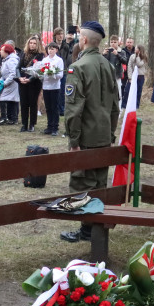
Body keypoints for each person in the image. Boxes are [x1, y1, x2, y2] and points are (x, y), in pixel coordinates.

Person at [58, 21, 120, 244]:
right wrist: (110, 134)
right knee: (99, 184)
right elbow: (115, 106)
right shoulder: (108, 66)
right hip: (103, 135)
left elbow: (73, 110)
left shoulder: (78, 67)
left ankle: (87, 230)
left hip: (86, 137)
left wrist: (74, 140)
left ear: (83, 40)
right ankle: (94, 229)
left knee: (82, 184)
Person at [17, 35, 44, 132]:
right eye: (30, 43)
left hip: (34, 82)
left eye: (34, 43)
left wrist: (29, 79)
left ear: (37, 45)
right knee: (24, 103)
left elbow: (39, 70)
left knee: (33, 103)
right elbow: (18, 67)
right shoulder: (23, 53)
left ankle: (32, 124)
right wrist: (20, 77)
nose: (32, 45)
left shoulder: (40, 55)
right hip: (22, 81)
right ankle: (24, 124)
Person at [40, 42, 65, 135]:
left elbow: (60, 75)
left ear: (56, 50)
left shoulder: (59, 60)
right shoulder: (44, 60)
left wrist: (52, 74)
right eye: (49, 49)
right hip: (46, 86)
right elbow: (41, 71)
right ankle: (49, 126)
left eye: (52, 49)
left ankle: (55, 127)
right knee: (48, 107)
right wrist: (42, 74)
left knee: (54, 107)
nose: (50, 51)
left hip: (55, 86)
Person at [0, 43, 21, 125]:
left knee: (3, 98)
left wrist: (5, 83)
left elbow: (13, 73)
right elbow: (4, 73)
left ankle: (6, 118)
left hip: (12, 83)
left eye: (2, 50)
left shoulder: (12, 60)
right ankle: (11, 118)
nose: (0, 51)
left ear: (6, 52)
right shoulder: (6, 60)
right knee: (10, 100)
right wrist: (0, 81)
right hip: (8, 82)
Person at [58, 26, 78, 116]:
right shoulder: (62, 44)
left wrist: (78, 32)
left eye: (72, 34)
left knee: (71, 89)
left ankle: (70, 107)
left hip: (73, 69)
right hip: (63, 69)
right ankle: (61, 109)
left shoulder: (76, 43)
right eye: (69, 33)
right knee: (62, 90)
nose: (70, 35)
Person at [120, 37, 136, 106]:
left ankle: (130, 101)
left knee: (131, 87)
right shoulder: (122, 51)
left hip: (133, 71)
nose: (129, 44)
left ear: (133, 43)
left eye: (130, 42)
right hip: (124, 71)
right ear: (126, 43)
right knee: (123, 86)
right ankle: (122, 100)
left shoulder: (136, 51)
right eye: (128, 42)